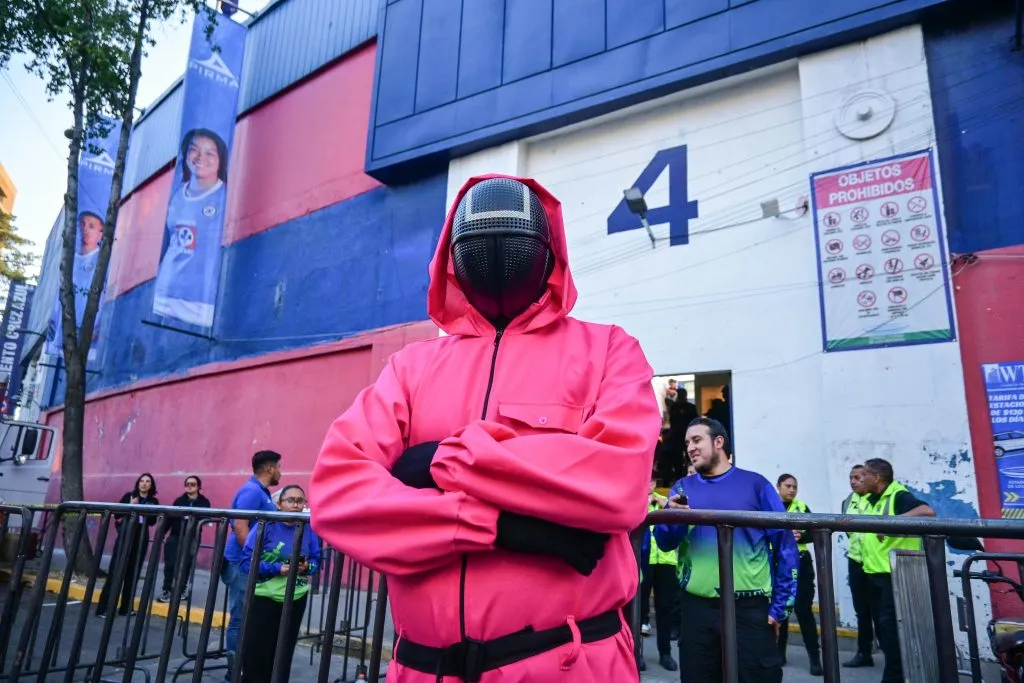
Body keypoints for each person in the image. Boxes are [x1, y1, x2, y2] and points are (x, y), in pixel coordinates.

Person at [309, 175, 661, 682]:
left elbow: (618, 485)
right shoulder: (411, 368)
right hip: (424, 670)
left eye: (512, 237)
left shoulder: (608, 350)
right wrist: (500, 528)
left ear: (548, 250)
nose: (498, 252)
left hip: (571, 665)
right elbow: (339, 496)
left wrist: (440, 462)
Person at [654, 418, 797, 683]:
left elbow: (786, 549)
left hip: (749, 609)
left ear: (718, 442)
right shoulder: (682, 488)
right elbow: (664, 543)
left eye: (697, 440)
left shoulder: (756, 485)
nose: (690, 448)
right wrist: (670, 516)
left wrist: (780, 609)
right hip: (696, 610)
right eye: (687, 443)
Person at [860, 458, 935, 683]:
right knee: (884, 632)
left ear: (877, 478)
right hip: (873, 573)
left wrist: (892, 521)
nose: (861, 479)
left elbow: (927, 512)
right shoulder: (870, 500)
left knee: (892, 632)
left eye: (865, 475)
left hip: (892, 575)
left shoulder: (899, 495)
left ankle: (895, 677)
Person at [238, 485, 320, 683]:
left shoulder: (309, 527)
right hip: (264, 599)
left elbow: (317, 560)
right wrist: (276, 568)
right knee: (257, 656)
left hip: (295, 598)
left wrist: (307, 567)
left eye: (300, 501)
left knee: (282, 656)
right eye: (290, 500)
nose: (295, 505)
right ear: (279, 504)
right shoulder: (266, 526)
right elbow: (246, 563)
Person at [154, 128, 230, 327]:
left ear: (220, 158)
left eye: (209, 153)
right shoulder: (176, 196)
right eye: (194, 150)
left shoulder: (227, 197)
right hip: (164, 297)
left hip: (201, 305)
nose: (200, 157)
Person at [222, 450, 282, 681]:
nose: (280, 471)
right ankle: (234, 672)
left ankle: (244, 667)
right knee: (240, 618)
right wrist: (254, 559)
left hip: (248, 564)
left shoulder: (261, 492)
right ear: (269, 469)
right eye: (278, 467)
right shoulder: (251, 492)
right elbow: (240, 526)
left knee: (247, 617)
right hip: (241, 564)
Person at [776, 474, 822, 675]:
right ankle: (779, 655)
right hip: (779, 563)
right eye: (788, 486)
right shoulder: (770, 506)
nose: (792, 490)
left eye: (795, 487)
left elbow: (816, 532)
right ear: (778, 487)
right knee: (782, 612)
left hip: (801, 563)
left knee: (803, 611)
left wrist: (802, 535)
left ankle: (815, 658)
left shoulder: (801, 507)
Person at [97, 473, 160, 617]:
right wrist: (130, 506)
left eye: (147, 481)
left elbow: (152, 521)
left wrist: (141, 510)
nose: (144, 483)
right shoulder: (128, 496)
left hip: (141, 537)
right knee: (116, 571)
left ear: (151, 485)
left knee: (133, 573)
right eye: (142, 481)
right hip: (126, 536)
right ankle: (104, 608)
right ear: (138, 483)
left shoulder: (154, 501)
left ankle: (126, 607)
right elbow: (117, 515)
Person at [640, 473, 680, 671]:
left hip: (666, 561)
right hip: (642, 560)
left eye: (651, 481)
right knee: (639, 608)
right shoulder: (637, 502)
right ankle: (636, 653)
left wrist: (660, 500)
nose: (648, 485)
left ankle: (665, 653)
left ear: (655, 484)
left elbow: (676, 517)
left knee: (665, 608)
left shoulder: (665, 501)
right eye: (645, 481)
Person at [840, 464, 875, 668]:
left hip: (877, 564)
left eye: (858, 477)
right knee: (861, 611)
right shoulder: (847, 502)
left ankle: (892, 654)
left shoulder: (877, 499)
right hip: (856, 562)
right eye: (851, 478)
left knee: (881, 613)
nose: (853, 481)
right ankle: (864, 653)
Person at [157, 475, 211, 603]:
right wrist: (162, 533)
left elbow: (207, 518)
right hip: (175, 536)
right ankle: (167, 590)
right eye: (187, 484)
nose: (189, 486)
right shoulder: (179, 501)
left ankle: (180, 590)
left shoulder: (204, 502)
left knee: (186, 564)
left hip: (192, 537)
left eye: (192, 484)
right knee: (170, 563)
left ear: (198, 487)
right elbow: (170, 518)